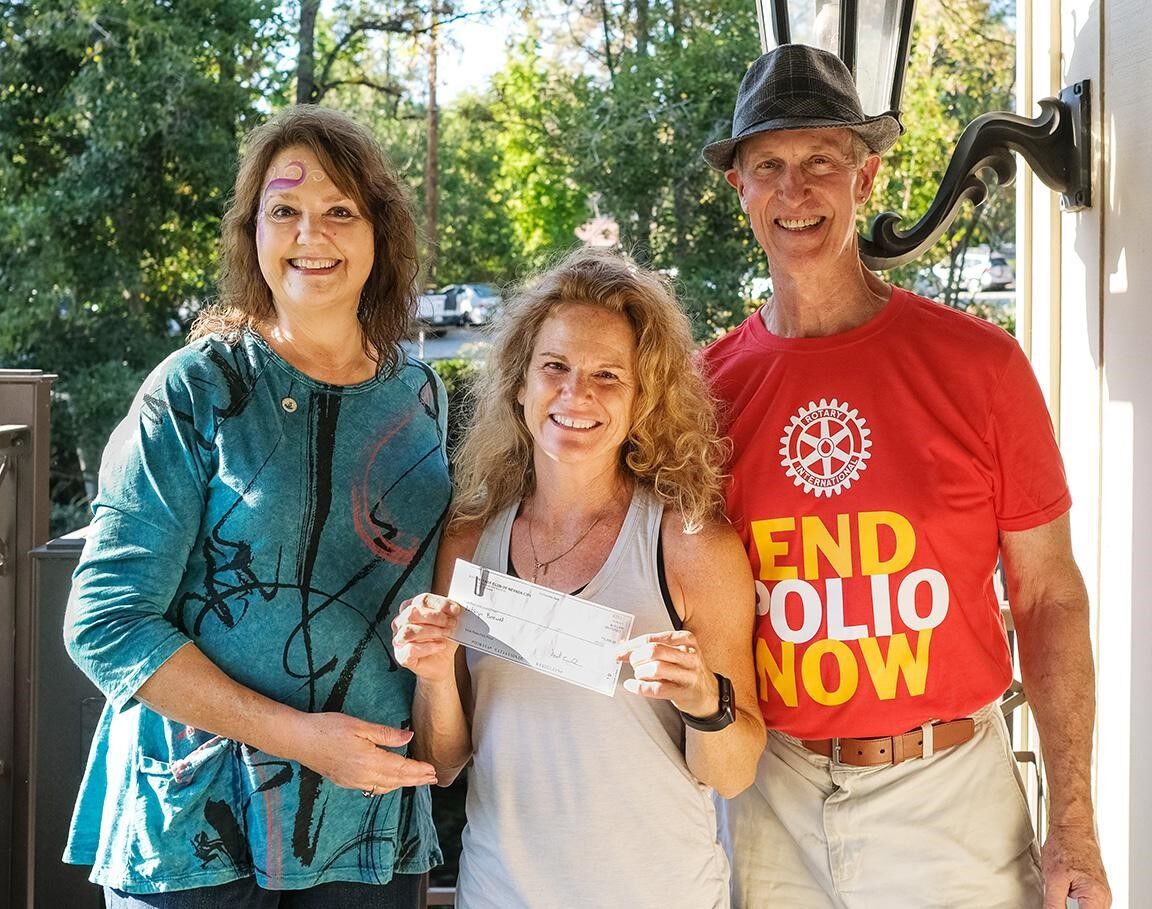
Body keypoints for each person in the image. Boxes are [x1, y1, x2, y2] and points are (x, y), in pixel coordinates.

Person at [700, 44, 1111, 909]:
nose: (795, 189)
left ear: (868, 176)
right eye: (768, 165)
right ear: (738, 187)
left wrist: (1072, 819)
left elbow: (1047, 597)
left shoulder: (980, 366)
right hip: (770, 797)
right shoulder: (704, 391)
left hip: (948, 796)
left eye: (821, 161)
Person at [63, 106, 450, 907]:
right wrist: (302, 740)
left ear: (381, 233)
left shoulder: (422, 393)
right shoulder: (195, 389)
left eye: (341, 210)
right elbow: (104, 620)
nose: (313, 233)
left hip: (366, 825)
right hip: (198, 829)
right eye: (286, 211)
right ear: (254, 235)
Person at [391, 248, 766, 908]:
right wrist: (433, 666)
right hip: (500, 893)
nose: (576, 394)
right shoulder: (471, 541)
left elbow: (733, 773)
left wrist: (705, 697)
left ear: (642, 398)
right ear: (520, 384)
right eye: (556, 367)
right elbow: (444, 759)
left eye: (607, 375)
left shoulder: (690, 546)